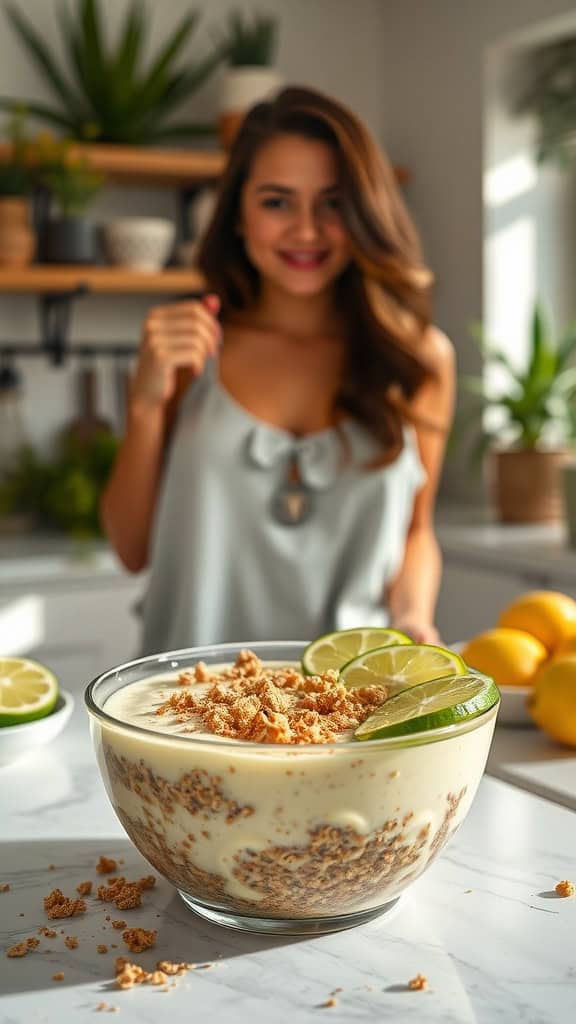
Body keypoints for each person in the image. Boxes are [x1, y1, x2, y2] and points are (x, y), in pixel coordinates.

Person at [101, 86, 455, 655]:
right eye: (276, 201)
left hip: (346, 709)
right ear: (237, 212)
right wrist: (143, 405)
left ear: (365, 211)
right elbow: (131, 548)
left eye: (333, 203)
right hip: (187, 707)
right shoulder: (188, 351)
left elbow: (417, 532)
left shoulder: (419, 361)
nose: (307, 230)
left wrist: (415, 618)